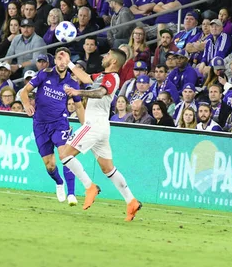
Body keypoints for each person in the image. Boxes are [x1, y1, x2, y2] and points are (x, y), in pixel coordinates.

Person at [56, 49, 142, 221]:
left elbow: (101, 92)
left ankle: (89, 187)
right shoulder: (103, 76)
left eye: (108, 55)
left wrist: (78, 92)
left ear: (114, 62)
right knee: (108, 168)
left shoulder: (113, 78)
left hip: (93, 125)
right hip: (101, 127)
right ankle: (131, 201)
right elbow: (86, 77)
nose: (104, 56)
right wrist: (69, 62)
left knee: (64, 154)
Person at [21, 47, 85, 205]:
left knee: (65, 156)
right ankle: (59, 182)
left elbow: (79, 107)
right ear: (55, 60)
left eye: (65, 59)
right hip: (40, 124)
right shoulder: (44, 74)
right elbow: (24, 91)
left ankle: (72, 193)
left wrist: (85, 127)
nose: (62, 62)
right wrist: (26, 104)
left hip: (60, 124)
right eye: (59, 58)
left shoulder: (72, 83)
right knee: (50, 165)